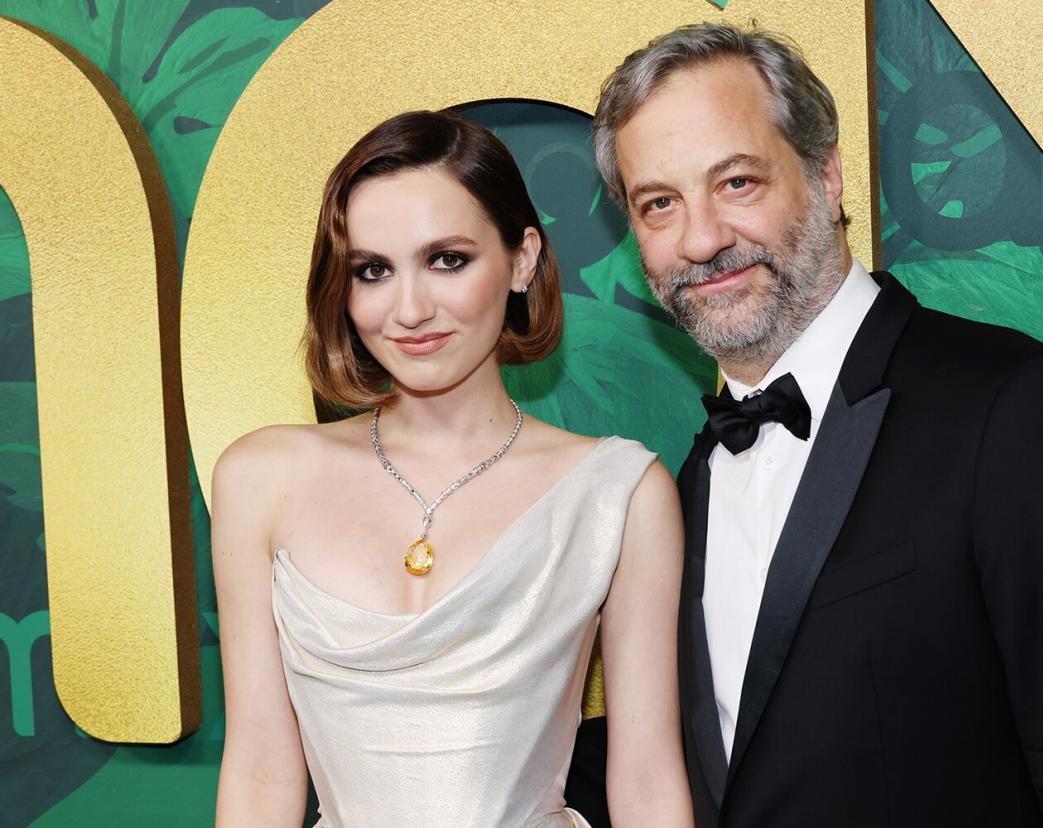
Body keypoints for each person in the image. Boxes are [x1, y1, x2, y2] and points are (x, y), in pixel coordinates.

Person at [591, 23, 1043, 826]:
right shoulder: (680, 485)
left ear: (827, 176)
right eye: (660, 204)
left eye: (736, 183)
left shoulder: (1021, 412)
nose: (701, 239)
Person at [212, 110, 693, 827]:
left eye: (447, 260)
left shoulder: (619, 495)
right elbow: (259, 773)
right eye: (373, 270)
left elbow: (648, 783)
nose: (408, 309)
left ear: (523, 259)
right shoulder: (261, 478)